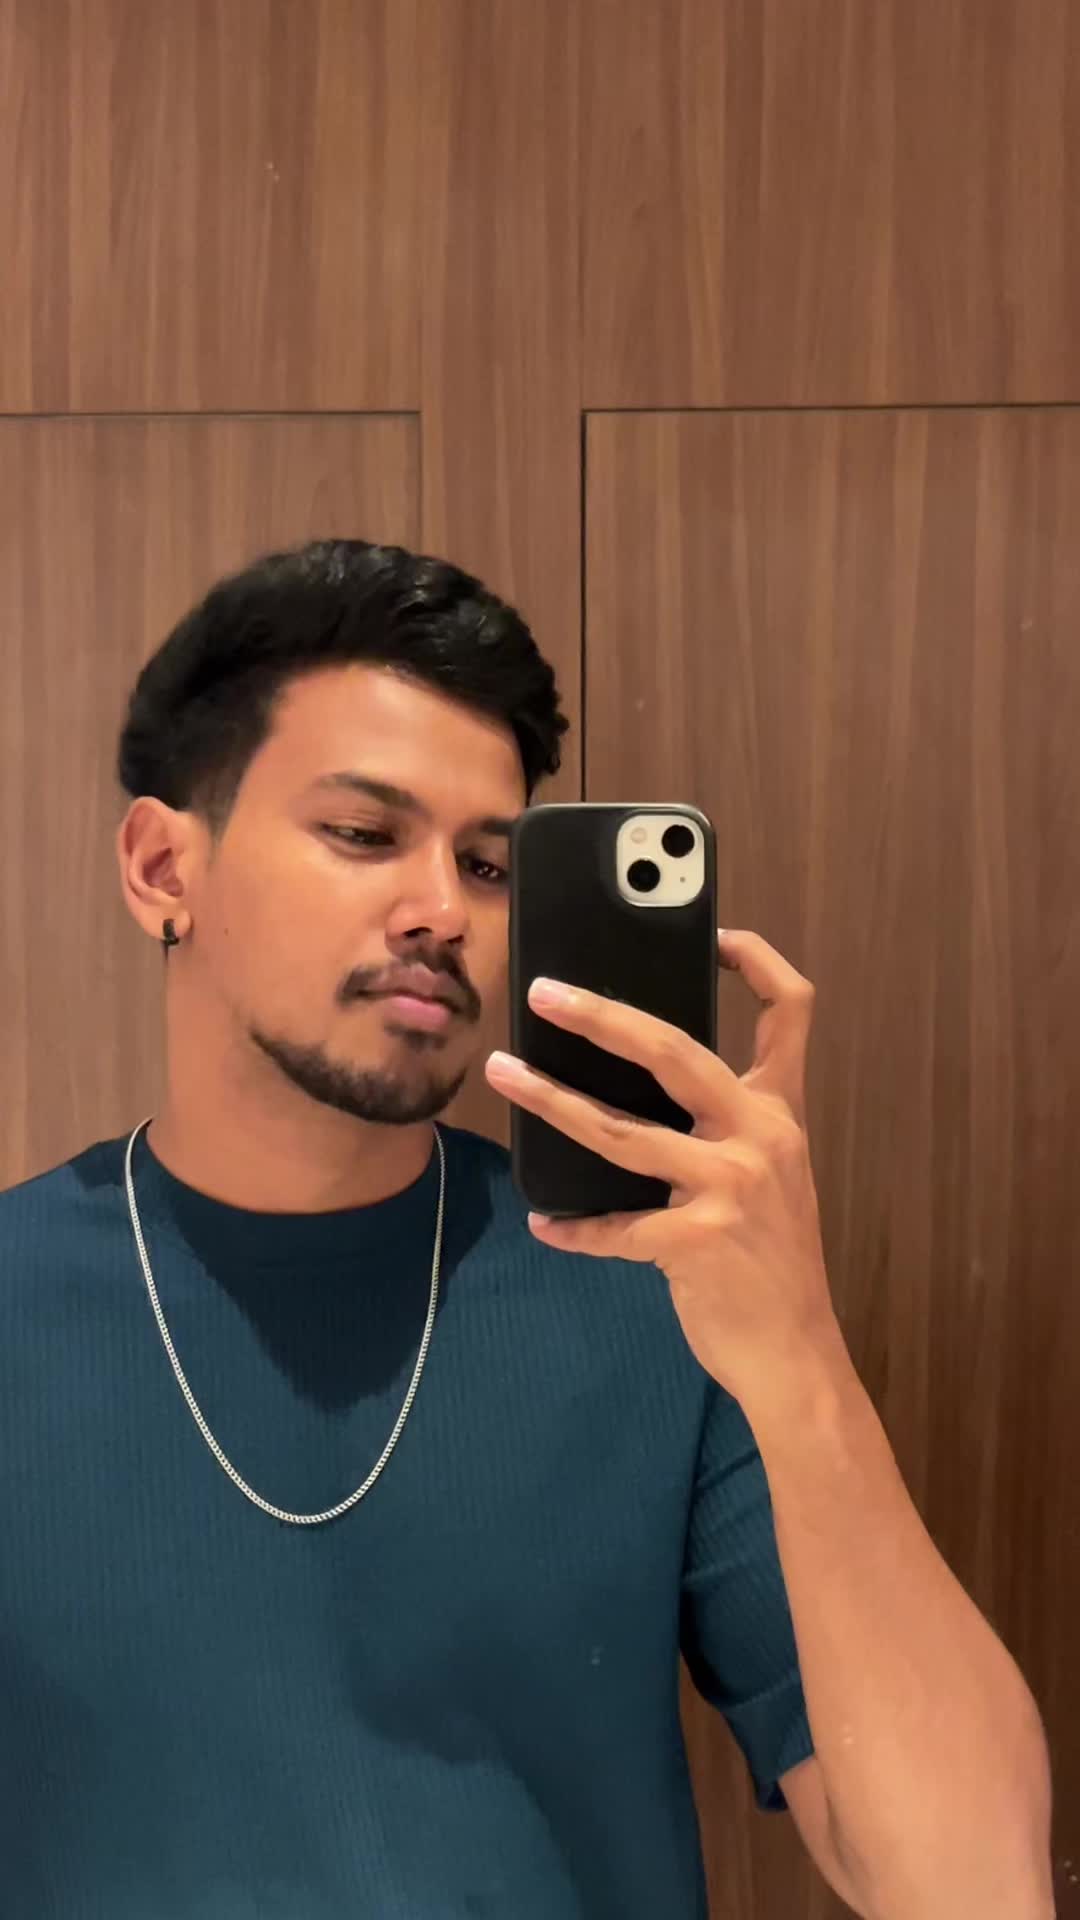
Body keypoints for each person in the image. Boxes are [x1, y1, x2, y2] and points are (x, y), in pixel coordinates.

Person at [0, 540, 1051, 1920]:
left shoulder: (650, 1290)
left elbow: (975, 1887)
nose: (444, 911)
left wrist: (797, 1356)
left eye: (491, 864)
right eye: (364, 834)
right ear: (160, 867)